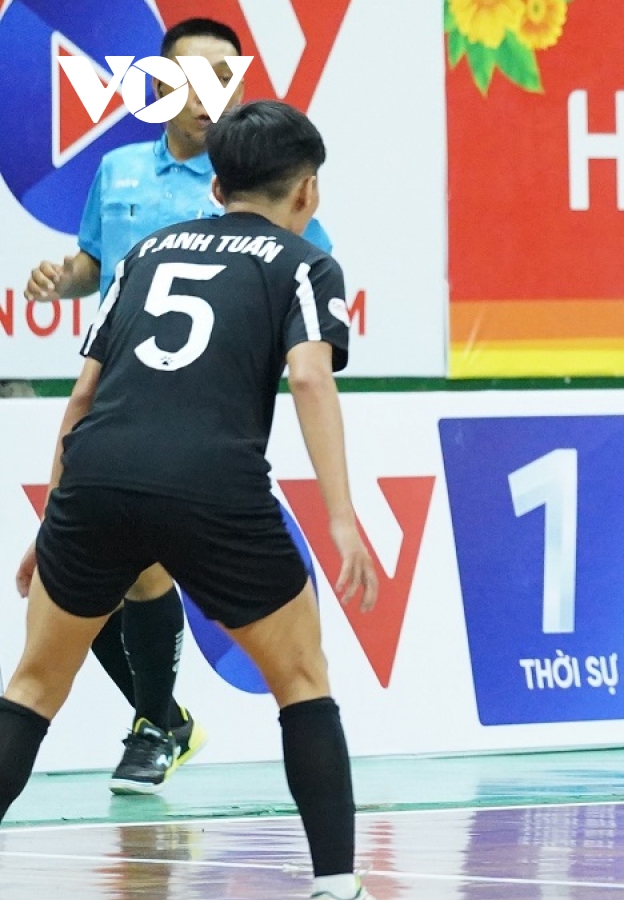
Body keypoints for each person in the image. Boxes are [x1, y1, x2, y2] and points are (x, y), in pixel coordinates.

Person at [0, 99, 378, 900]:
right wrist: (343, 519)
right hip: (212, 483)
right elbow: (310, 378)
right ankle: (336, 884)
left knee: (31, 689)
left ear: (216, 185)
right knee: (304, 681)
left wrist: (54, 516)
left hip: (98, 476)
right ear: (306, 191)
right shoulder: (305, 262)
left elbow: (82, 399)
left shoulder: (145, 253)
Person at [18, 16, 331, 794]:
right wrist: (63, 277)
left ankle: (157, 725)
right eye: (190, 78)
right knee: (92, 581)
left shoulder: (256, 188)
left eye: (224, 78)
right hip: (114, 389)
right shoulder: (119, 170)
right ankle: (163, 719)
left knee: (141, 566)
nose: (207, 95)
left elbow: (307, 279)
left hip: (201, 411)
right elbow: (95, 264)